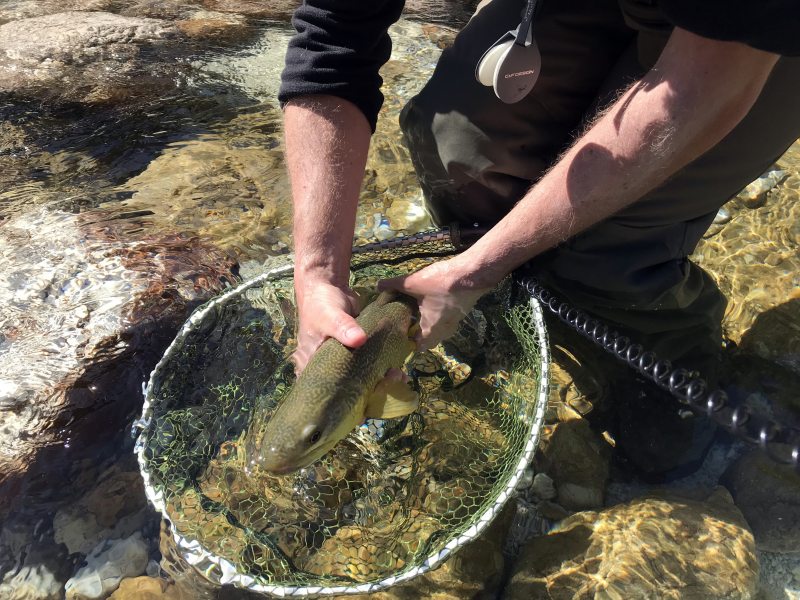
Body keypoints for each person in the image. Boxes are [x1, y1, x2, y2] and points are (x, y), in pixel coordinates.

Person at [279, 0, 800, 477]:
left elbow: (705, 83)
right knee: (456, 153)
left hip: (761, 36)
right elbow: (332, 42)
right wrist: (318, 272)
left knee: (600, 251)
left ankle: (668, 338)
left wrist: (479, 268)